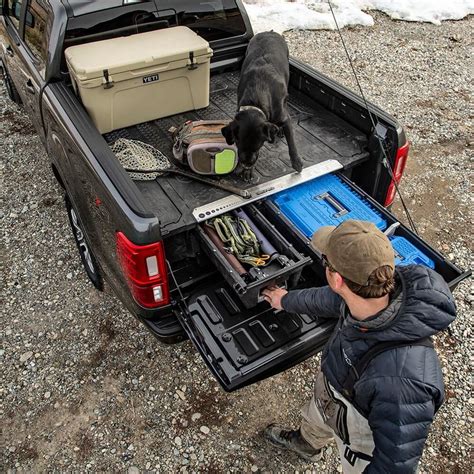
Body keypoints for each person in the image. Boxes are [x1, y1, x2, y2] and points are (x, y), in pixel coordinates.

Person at [262, 220, 456, 473]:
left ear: (337, 278)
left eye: (325, 261)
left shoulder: (403, 383)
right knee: (318, 413)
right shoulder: (371, 293)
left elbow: (393, 466)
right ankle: (307, 444)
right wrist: (285, 300)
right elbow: (329, 299)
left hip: (363, 429)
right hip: (336, 383)